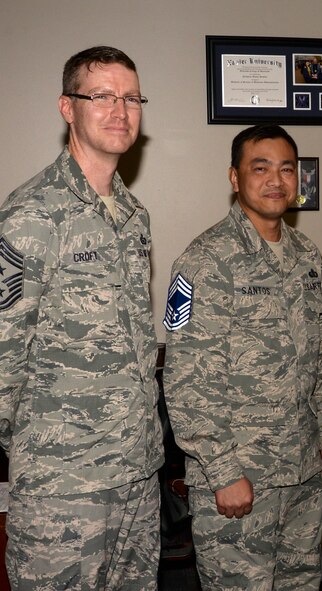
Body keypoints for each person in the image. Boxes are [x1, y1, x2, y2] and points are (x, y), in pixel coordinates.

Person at [0, 46, 162, 589]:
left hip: (137, 471)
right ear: (67, 108)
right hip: (64, 482)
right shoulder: (32, 214)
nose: (121, 110)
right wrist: (29, 448)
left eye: (131, 97)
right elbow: (2, 354)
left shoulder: (133, 216)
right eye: (102, 96)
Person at [162, 124, 322, 589]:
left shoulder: (306, 255)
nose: (276, 181)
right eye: (259, 168)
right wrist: (223, 473)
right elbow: (188, 381)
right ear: (234, 177)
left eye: (287, 169)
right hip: (240, 475)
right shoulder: (206, 260)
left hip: (303, 472)